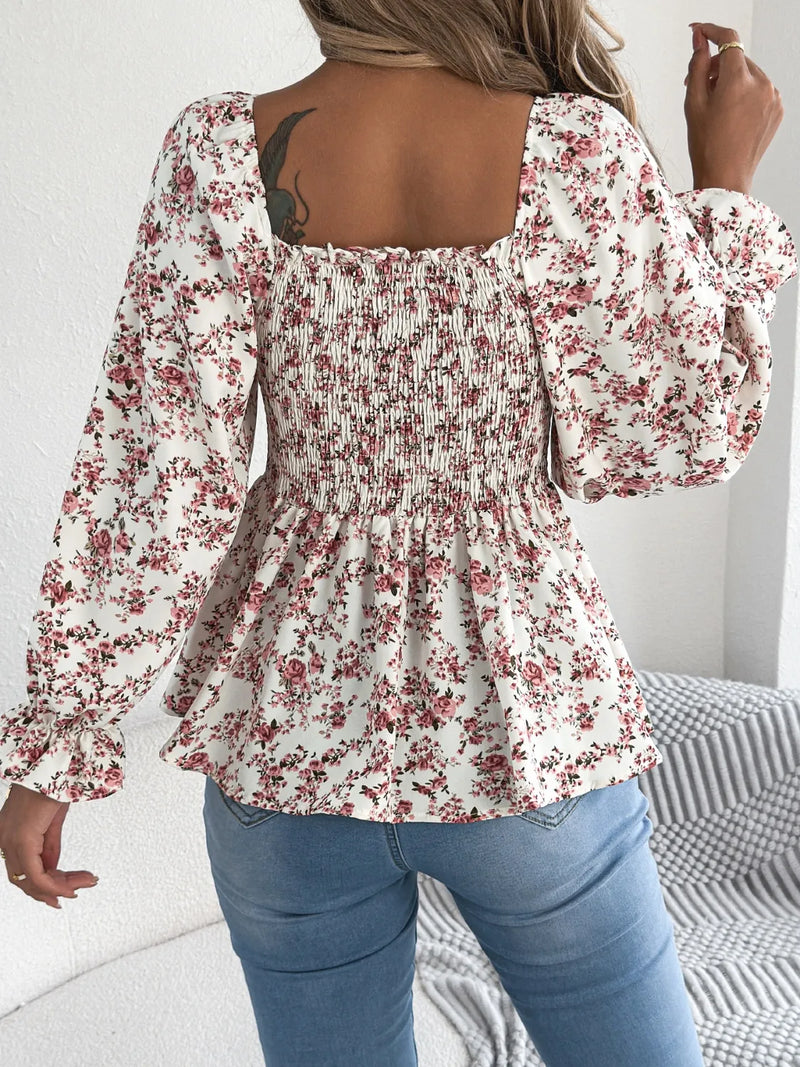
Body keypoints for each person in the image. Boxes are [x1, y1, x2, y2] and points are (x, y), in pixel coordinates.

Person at [0, 1, 796, 1064]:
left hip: (283, 748)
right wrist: (725, 188)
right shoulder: (578, 149)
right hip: (523, 736)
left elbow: (154, 482)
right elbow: (683, 434)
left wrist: (58, 745)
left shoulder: (217, 152)